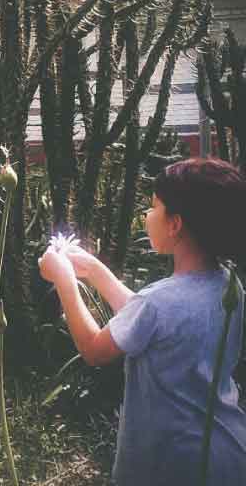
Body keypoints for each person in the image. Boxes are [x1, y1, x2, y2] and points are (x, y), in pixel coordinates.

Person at [38, 158, 246, 486]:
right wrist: (93, 270)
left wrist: (65, 280)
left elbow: (94, 350)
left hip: (171, 465)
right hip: (227, 450)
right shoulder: (229, 286)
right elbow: (151, 320)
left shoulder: (158, 302)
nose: (147, 216)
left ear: (175, 224)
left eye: (154, 207)